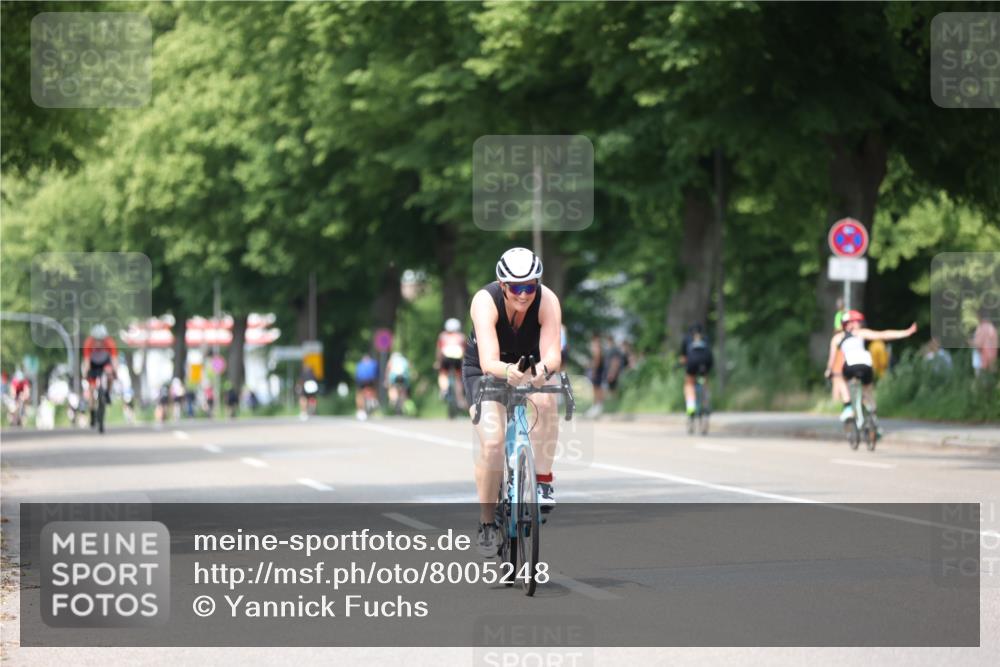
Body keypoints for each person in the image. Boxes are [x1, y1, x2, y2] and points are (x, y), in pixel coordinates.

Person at [463, 247, 562, 557]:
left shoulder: (547, 301)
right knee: (492, 444)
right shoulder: (484, 302)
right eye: (516, 287)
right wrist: (509, 372)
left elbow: (553, 356)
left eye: (530, 286)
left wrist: (539, 373)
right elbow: (490, 360)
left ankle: (542, 482)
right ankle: (487, 522)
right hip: (486, 369)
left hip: (528, 365)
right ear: (502, 284)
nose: (523, 294)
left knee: (546, 403)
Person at [824, 310, 917, 422]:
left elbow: (832, 359)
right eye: (858, 322)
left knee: (839, 378)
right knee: (867, 390)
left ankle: (848, 405)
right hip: (866, 366)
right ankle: (872, 415)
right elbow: (883, 335)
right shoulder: (861, 333)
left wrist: (829, 370)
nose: (860, 324)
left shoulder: (837, 338)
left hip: (849, 366)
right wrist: (906, 332)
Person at [679, 324, 713, 418]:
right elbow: (710, 353)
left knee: (689, 384)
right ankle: (706, 405)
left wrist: (680, 364)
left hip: (692, 364)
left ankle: (691, 408)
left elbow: (683, 358)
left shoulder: (687, 339)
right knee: (705, 381)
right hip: (706, 363)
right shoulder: (706, 338)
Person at [436, 318, 466, 408]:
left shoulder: (442, 336)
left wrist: (438, 362)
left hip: (446, 358)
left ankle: (444, 390)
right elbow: (464, 351)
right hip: (458, 358)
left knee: (443, 374)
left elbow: (439, 351)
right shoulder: (461, 336)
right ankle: (460, 400)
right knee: (458, 378)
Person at [971, 309, 998, 375]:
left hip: (982, 362)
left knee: (981, 383)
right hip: (992, 360)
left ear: (979, 317)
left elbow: (978, 345)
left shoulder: (981, 328)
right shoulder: (993, 328)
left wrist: (970, 342)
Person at [354, 352, 379, 420]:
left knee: (359, 394)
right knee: (373, 390)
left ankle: (360, 409)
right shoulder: (373, 363)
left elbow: (357, 374)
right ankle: (373, 401)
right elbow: (376, 374)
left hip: (361, 381)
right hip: (371, 381)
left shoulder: (360, 364)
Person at [586, 333, 605, 418]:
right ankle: (597, 406)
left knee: (596, 388)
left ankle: (597, 406)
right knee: (597, 387)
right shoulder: (599, 346)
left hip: (597, 370)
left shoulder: (596, 347)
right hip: (599, 370)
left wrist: (593, 370)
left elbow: (597, 359)